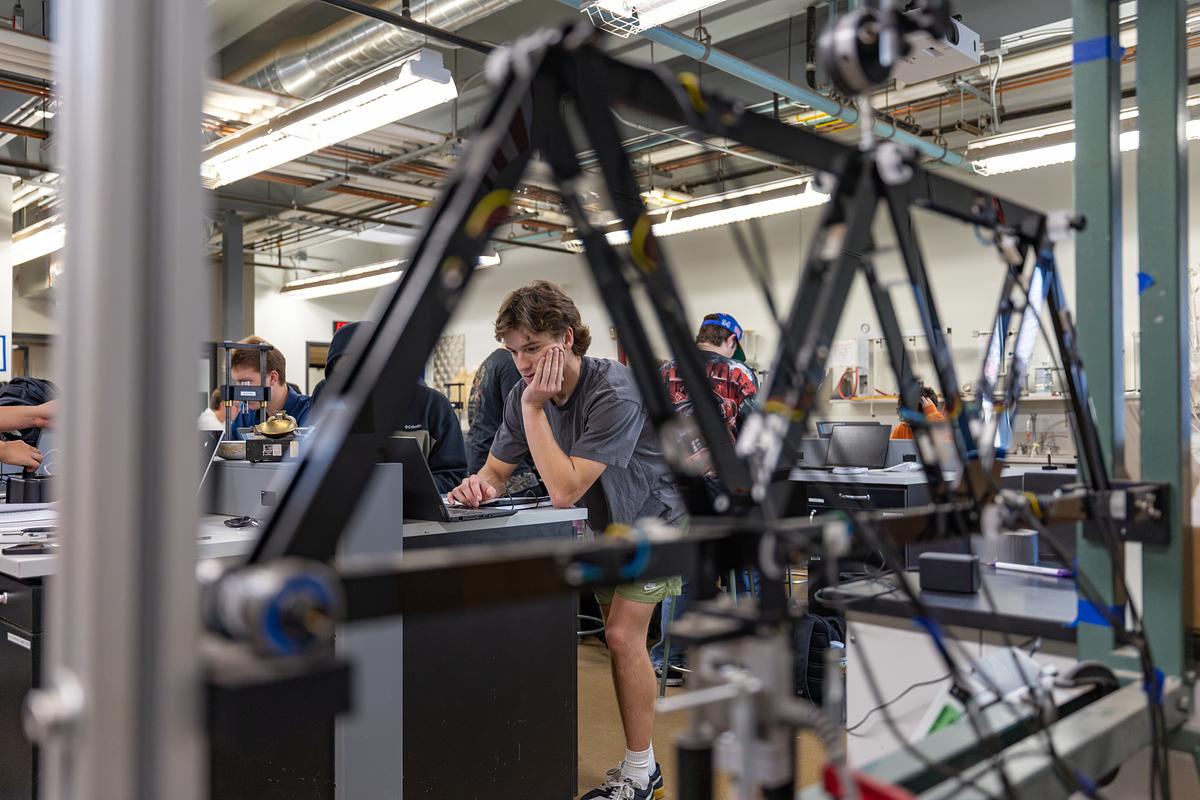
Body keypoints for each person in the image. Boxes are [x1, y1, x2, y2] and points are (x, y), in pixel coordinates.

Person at [448, 281, 682, 800]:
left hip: (654, 516)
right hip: (602, 522)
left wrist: (534, 411)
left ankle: (642, 770)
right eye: (513, 351)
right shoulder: (520, 393)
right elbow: (496, 470)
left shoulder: (613, 390)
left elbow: (564, 487)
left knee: (623, 636)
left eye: (532, 347)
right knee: (614, 638)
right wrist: (476, 487)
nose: (522, 362)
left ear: (567, 337)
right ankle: (645, 766)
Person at [652, 313, 761, 684]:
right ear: (731, 341)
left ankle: (668, 660)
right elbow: (755, 436)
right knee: (748, 568)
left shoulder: (666, 371)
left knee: (681, 573)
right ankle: (748, 657)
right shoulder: (738, 374)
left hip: (672, 487)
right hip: (724, 490)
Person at [311, 321, 467, 494]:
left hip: (412, 517)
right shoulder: (326, 394)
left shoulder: (432, 405)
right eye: (345, 368)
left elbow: (452, 477)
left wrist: (393, 490)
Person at [465, 348, 540, 495]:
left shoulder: (490, 362)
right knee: (534, 495)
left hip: (478, 455)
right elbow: (522, 417)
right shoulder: (509, 364)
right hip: (499, 459)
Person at [227, 336, 313, 439]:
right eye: (237, 383)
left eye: (246, 382)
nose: (240, 392)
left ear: (272, 378)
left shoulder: (310, 412)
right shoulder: (245, 416)